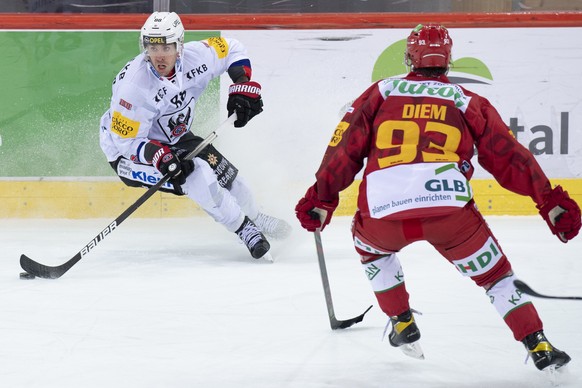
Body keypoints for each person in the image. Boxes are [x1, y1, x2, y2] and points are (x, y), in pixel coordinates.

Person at [295, 23, 581, 371]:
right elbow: (510, 156)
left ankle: (401, 322)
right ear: (448, 59)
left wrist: (321, 198)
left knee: (373, 252)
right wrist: (549, 201)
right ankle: (538, 344)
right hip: (451, 217)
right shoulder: (468, 100)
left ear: (409, 57)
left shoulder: (380, 92)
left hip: (383, 218)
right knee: (496, 278)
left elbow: (344, 150)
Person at [99, 12, 291, 260]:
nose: (159, 55)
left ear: (179, 46)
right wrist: (158, 155)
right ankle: (245, 229)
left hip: (175, 138)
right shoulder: (134, 87)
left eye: (166, 47)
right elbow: (124, 143)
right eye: (152, 47)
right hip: (130, 155)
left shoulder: (196, 57)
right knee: (198, 175)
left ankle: (256, 215)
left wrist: (241, 86)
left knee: (231, 179)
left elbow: (232, 48)